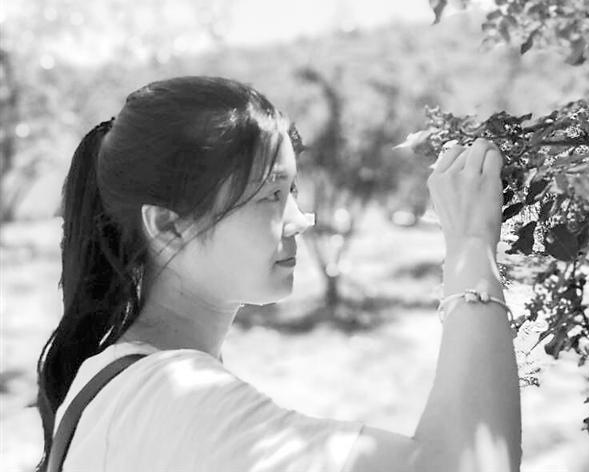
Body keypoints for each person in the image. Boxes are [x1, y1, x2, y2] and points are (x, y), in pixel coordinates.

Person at [35, 76, 521, 472]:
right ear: (167, 225)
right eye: (271, 195)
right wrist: (472, 245)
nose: (300, 219)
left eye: (293, 190)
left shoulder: (112, 378)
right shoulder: (171, 397)